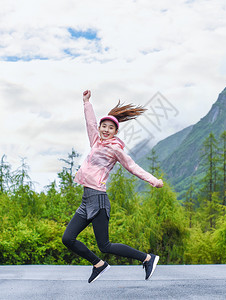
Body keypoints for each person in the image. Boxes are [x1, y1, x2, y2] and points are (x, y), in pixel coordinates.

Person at [62, 90, 164, 283]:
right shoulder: (95, 142)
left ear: (116, 132)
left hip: (99, 200)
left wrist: (154, 181)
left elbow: (133, 167)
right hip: (86, 201)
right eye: (104, 126)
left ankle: (148, 258)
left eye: (111, 128)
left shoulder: (115, 149)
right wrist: (87, 103)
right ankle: (99, 264)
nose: (106, 130)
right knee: (68, 239)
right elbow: (90, 123)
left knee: (105, 245)